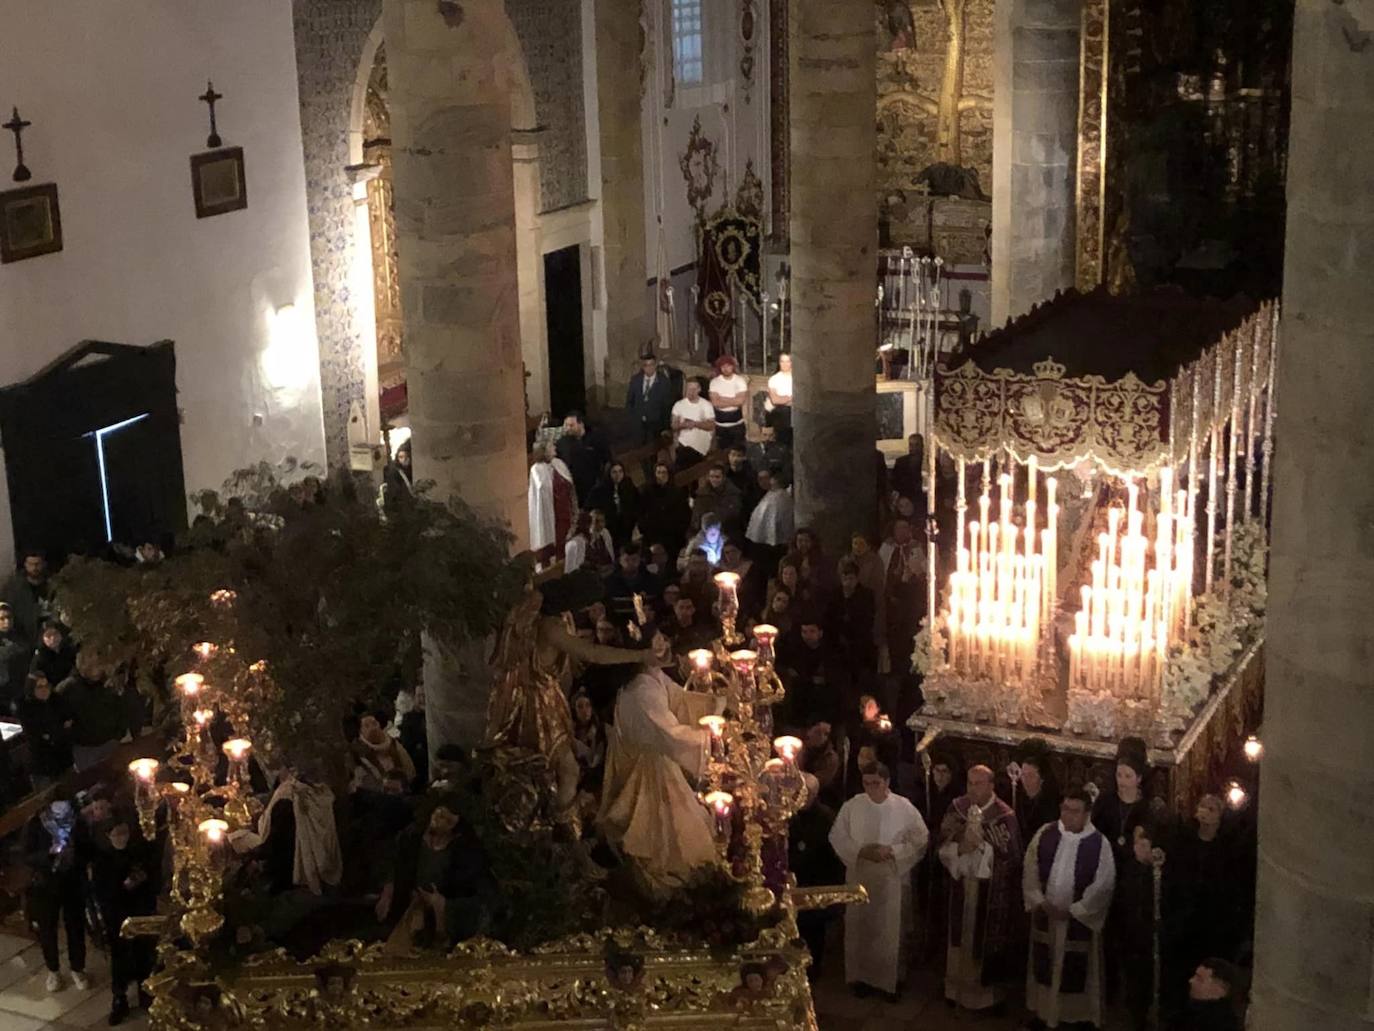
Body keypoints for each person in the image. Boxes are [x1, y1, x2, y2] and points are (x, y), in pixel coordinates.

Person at [597, 625, 723, 894]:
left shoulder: (652, 676)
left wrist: (717, 703)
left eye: (663, 639)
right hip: (648, 777)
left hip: (660, 768)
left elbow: (681, 702)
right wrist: (712, 740)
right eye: (656, 642)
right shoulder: (640, 690)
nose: (664, 645)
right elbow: (670, 735)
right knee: (672, 848)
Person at [829, 762, 929, 1001]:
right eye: (867, 783)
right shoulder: (853, 806)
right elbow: (837, 836)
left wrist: (893, 850)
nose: (871, 788)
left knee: (889, 931)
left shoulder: (903, 808)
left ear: (887, 782)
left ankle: (890, 982)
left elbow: (921, 839)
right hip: (861, 874)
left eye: (876, 783)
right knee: (860, 929)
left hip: (890, 878)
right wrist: (860, 852)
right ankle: (860, 978)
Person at [1022, 788, 1117, 1030]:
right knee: (1046, 966)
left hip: (1077, 921)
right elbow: (1030, 868)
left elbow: (1103, 885)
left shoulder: (1099, 844)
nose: (1068, 815)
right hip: (1047, 916)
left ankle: (1073, 1018)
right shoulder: (1045, 833)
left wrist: (1076, 910)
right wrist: (1040, 901)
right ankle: (1044, 1013)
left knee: (1074, 971)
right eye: (1065, 809)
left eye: (1075, 811)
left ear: (1087, 813)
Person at [939, 764, 1023, 1013]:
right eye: (969, 783)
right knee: (959, 935)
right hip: (961, 884)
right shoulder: (957, 809)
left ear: (991, 785)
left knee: (983, 941)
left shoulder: (1004, 816)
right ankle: (955, 989)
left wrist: (984, 849)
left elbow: (1012, 857)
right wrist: (960, 849)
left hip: (990, 893)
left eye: (978, 783)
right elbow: (942, 843)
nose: (972, 789)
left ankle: (985, 997)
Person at [1164, 794, 1246, 1019]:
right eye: (1203, 807)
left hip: (1213, 924)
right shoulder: (1184, 841)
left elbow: (1231, 888)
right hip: (1183, 922)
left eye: (1212, 809)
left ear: (1220, 816)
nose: (1206, 812)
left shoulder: (1227, 849)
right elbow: (1173, 878)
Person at [377, 799, 493, 950]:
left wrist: (440, 904)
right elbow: (395, 864)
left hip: (443, 908)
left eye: (446, 818)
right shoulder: (412, 837)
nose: (438, 820)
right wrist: (389, 890)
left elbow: (473, 890)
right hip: (410, 904)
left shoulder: (465, 849)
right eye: (437, 815)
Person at [91, 818, 159, 1024]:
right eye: (117, 834)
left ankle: (145, 992)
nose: (122, 838)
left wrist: (142, 881)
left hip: (140, 912)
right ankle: (120, 999)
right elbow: (101, 891)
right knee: (120, 961)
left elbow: (151, 878)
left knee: (144, 955)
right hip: (117, 917)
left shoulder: (137, 852)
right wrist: (123, 887)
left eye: (125, 833)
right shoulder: (102, 860)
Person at [24, 791, 90, 993]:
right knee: (47, 929)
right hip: (46, 884)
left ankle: (77, 968)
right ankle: (53, 970)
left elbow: (87, 849)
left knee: (76, 926)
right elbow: (28, 856)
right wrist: (49, 854)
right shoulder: (36, 823)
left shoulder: (77, 822)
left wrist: (75, 855)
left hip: (72, 881)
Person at [788, 772, 843, 980]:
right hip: (793, 881)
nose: (800, 796)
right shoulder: (788, 814)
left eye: (805, 793)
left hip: (816, 881)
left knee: (813, 933)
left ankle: (812, 972)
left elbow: (830, 855)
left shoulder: (826, 818)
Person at [775, 614, 850, 732]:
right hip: (801, 698)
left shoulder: (830, 653)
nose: (807, 636)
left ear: (820, 633)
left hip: (825, 699)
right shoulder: (796, 650)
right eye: (804, 632)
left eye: (811, 631)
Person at [58, 651, 127, 771]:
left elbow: (119, 707)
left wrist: (119, 732)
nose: (96, 670)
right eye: (91, 666)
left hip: (110, 741)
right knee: (91, 781)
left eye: (98, 665)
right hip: (85, 748)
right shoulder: (69, 688)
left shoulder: (108, 683)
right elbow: (60, 717)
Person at [878, 517, 925, 675]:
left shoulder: (916, 548)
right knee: (894, 636)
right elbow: (881, 570)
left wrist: (911, 573)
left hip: (911, 600)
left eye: (905, 528)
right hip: (891, 599)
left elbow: (923, 570)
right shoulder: (887, 547)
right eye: (899, 528)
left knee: (909, 633)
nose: (902, 531)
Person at [18, 673, 71, 787]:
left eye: (46, 686)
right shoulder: (27, 709)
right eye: (40, 687)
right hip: (42, 764)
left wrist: (55, 732)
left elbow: (68, 722)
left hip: (63, 758)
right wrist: (57, 731)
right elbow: (37, 736)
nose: (45, 690)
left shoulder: (56, 701)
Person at [826, 559, 878, 673]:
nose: (848, 582)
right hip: (838, 642)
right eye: (845, 578)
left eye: (851, 578)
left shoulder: (866, 595)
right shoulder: (834, 594)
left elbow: (868, 619)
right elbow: (830, 617)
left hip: (859, 643)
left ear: (857, 578)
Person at [527, 441, 577, 556]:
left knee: (566, 546)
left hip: (565, 512)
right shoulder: (536, 470)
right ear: (543, 451)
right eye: (551, 446)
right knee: (554, 549)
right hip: (550, 515)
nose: (554, 447)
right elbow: (542, 491)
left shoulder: (559, 463)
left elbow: (570, 485)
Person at [637, 461, 692, 564]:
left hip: (672, 537)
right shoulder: (646, 492)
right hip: (652, 536)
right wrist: (645, 528)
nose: (661, 476)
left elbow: (685, 514)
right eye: (658, 472)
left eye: (664, 472)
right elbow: (641, 512)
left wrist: (679, 530)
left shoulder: (678, 492)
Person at [351, 712, 418, 792]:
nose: (372, 728)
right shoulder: (360, 755)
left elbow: (409, 770)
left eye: (374, 723)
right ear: (360, 732)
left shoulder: (393, 744)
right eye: (367, 726)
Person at [1012, 738, 1062, 845]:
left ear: (1042, 779)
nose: (1025, 781)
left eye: (1031, 776)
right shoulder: (1016, 791)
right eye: (1023, 775)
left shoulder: (1050, 799)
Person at [1176, 959, 1247, 1031]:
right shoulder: (1190, 1013)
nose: (1191, 980)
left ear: (1219, 989)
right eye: (1195, 976)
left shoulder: (1219, 1023)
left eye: (1199, 979)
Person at [556, 412, 609, 507]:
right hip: (572, 486)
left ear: (580, 424)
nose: (568, 428)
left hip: (592, 485)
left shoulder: (596, 438)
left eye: (571, 425)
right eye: (566, 425)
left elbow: (606, 459)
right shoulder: (562, 443)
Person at [745, 469, 795, 564]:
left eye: (766, 478)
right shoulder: (770, 494)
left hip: (776, 544)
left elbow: (779, 520)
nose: (763, 482)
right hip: (761, 542)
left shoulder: (781, 497)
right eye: (760, 479)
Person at [4, 549, 52, 646]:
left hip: (49, 640)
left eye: (38, 564)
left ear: (43, 564)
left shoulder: (53, 586)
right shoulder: (15, 588)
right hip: (22, 639)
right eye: (31, 564)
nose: (34, 568)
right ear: (25, 564)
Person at [588, 461, 639, 550]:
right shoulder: (599, 490)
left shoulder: (628, 485)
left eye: (620, 471)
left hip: (626, 528)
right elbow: (589, 509)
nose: (618, 475)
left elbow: (637, 503)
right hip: (608, 530)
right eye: (614, 472)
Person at [626, 352, 675, 444]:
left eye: (651, 365)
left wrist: (665, 427)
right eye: (646, 365)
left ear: (655, 365)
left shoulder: (664, 382)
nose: (649, 368)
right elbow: (630, 401)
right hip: (638, 423)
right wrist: (631, 418)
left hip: (655, 423)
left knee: (653, 448)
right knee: (638, 448)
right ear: (642, 366)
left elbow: (667, 406)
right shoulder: (636, 380)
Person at [670, 377, 716, 469]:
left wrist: (695, 424)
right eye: (689, 389)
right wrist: (684, 425)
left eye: (694, 389)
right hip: (683, 446)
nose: (691, 392)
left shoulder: (706, 405)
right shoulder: (679, 405)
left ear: (699, 389)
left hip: (699, 448)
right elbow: (673, 425)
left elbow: (711, 425)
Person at [708, 355, 749, 450]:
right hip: (720, 426)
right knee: (722, 454)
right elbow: (715, 403)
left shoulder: (740, 381)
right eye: (723, 366)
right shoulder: (714, 382)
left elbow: (740, 401)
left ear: (733, 367)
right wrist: (732, 400)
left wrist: (721, 398)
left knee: (739, 452)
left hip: (737, 425)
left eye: (728, 366)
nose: (726, 369)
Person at [693, 464, 744, 538]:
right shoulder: (702, 494)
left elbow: (734, 514)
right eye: (711, 476)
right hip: (705, 532)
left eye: (717, 477)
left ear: (723, 478)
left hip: (727, 532)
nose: (714, 480)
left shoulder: (733, 494)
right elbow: (696, 516)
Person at [565, 510, 615, 575]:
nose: (599, 525)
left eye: (602, 521)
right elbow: (579, 564)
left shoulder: (602, 536)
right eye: (595, 522)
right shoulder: (578, 541)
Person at [31, 619, 77, 686]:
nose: (53, 638)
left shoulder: (69, 651)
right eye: (48, 635)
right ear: (42, 638)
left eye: (55, 633)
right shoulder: (40, 657)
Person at [764, 353, 793, 443]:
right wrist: (791, 398)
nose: (785, 364)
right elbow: (775, 400)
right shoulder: (774, 379)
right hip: (781, 414)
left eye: (788, 361)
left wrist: (784, 398)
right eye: (782, 361)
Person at [382, 439, 414, 511]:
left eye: (406, 457)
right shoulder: (394, 471)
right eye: (401, 457)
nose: (404, 460)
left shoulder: (411, 470)